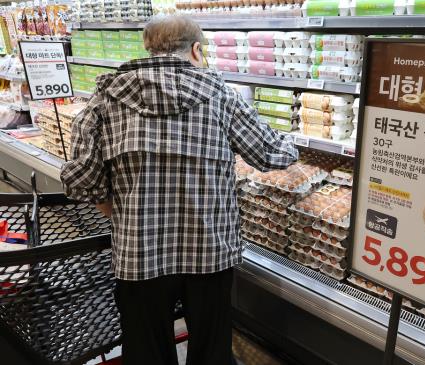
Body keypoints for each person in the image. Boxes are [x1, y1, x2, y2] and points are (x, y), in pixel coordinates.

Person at [60, 15, 298, 365]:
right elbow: (272, 153)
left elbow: (79, 180)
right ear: (197, 50)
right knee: (212, 351)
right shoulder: (222, 96)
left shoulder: (104, 99)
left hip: (138, 253)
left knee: (145, 352)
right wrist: (295, 137)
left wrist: (116, 209)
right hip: (209, 251)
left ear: (148, 48)